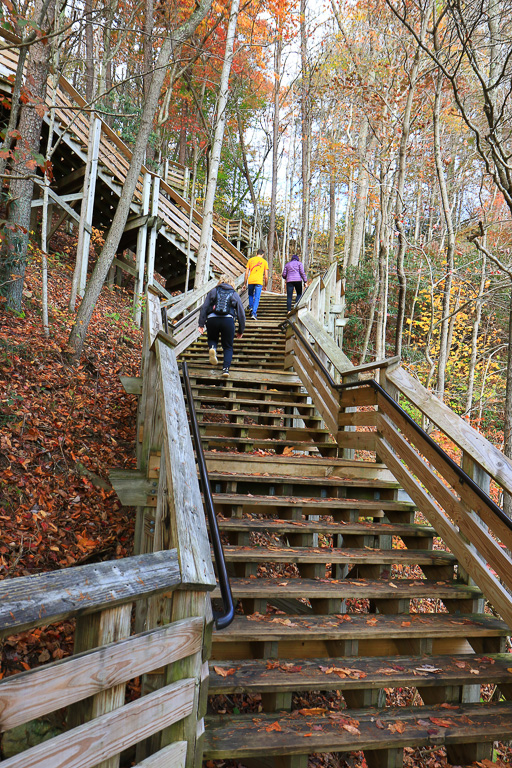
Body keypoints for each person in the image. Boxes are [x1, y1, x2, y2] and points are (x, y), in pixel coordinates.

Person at [198, 275, 245, 378]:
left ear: (220, 281)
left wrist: (201, 324)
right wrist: (241, 330)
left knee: (212, 338)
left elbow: (204, 307)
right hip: (227, 320)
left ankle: (213, 348)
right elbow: (241, 313)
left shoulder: (213, 291)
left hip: (212, 320)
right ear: (232, 283)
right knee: (228, 346)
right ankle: (225, 370)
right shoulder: (234, 293)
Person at [243, 248, 268, 320]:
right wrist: (265, 285)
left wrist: (245, 283)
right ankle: (254, 313)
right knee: (257, 297)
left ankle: (251, 307)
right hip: (259, 282)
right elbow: (266, 276)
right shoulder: (264, 262)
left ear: (256, 254)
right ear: (262, 255)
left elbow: (246, 273)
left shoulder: (250, 260)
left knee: (250, 295)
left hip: (251, 281)